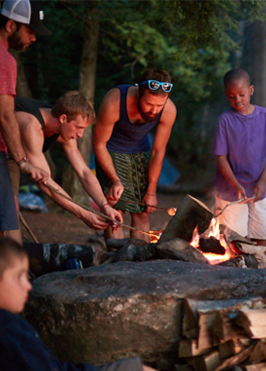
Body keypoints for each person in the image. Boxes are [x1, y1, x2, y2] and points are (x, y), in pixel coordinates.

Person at [0, 236, 244, 371]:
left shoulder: (14, 323)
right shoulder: (9, 340)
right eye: (19, 277)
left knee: (132, 370)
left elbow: (57, 370)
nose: (29, 284)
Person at [7, 92, 123, 243]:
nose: (80, 134)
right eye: (79, 128)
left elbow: (83, 171)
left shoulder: (62, 126)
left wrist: (104, 205)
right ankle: (12, 258)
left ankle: (14, 253)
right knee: (9, 209)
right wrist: (83, 214)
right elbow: (45, 183)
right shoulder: (31, 125)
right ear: (63, 119)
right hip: (6, 152)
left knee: (9, 209)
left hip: (11, 155)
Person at [93, 69, 177, 243]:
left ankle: (140, 263)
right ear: (139, 92)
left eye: (159, 105)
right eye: (148, 103)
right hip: (111, 151)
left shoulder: (168, 110)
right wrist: (114, 179)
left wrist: (151, 191)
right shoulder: (115, 101)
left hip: (141, 151)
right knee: (116, 211)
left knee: (142, 211)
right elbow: (99, 144)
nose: (153, 110)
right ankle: (117, 262)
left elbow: (158, 151)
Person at [212, 68, 266, 247]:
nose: (237, 100)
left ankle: (260, 273)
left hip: (257, 188)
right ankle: (236, 274)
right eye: (231, 96)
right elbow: (221, 158)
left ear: (251, 90)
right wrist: (236, 185)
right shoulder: (225, 121)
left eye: (242, 94)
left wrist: (262, 181)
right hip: (230, 190)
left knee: (261, 235)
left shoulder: (265, 116)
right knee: (235, 240)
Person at [0, 0, 51, 242]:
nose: (34, 38)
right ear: (11, 25)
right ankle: (12, 279)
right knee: (9, 232)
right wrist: (22, 162)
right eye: (30, 31)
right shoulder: (4, 60)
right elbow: (5, 115)